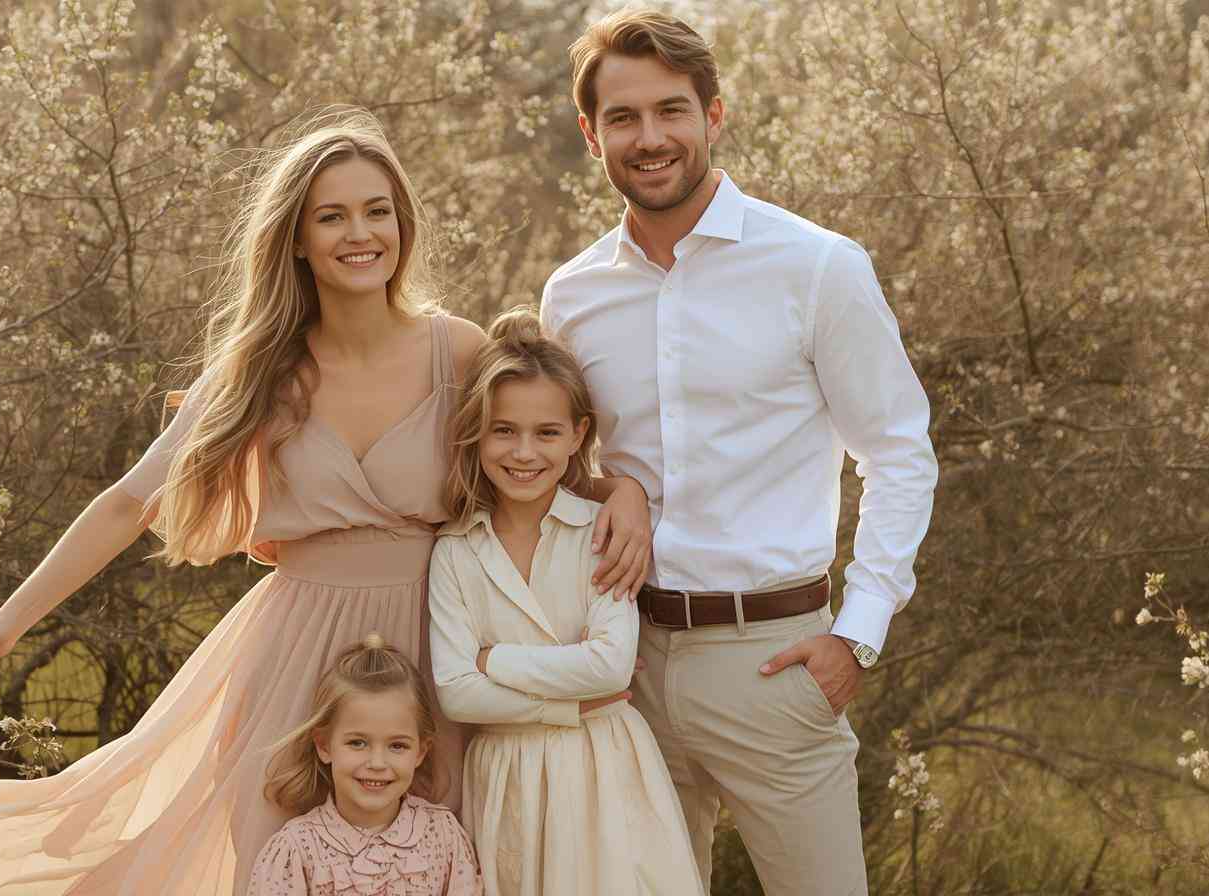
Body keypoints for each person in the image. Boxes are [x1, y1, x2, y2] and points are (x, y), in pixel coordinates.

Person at [0, 109, 651, 896]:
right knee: (273, 855)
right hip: (291, 657)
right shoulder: (260, 371)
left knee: (440, 858)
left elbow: (537, 461)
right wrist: (8, 621)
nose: (359, 233)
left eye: (377, 211)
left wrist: (627, 493)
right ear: (297, 239)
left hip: (441, 650)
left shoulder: (459, 351)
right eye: (331, 216)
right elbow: (132, 502)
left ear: (403, 225)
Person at [541, 10, 940, 896]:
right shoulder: (572, 296)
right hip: (623, 662)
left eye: (672, 112)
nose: (650, 139)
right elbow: (554, 465)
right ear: (589, 132)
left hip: (775, 665)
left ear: (713, 116)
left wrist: (857, 636)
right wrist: (621, 489)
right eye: (623, 118)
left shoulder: (817, 268)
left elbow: (900, 455)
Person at [427, 307, 705, 895]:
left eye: (546, 433)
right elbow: (455, 691)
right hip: (508, 771)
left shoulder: (600, 532)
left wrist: (493, 660)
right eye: (504, 430)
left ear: (578, 434)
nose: (524, 452)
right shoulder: (454, 549)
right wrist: (564, 703)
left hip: (605, 762)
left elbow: (609, 664)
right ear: (478, 430)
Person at [249, 634, 480, 896]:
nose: (377, 763)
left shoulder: (443, 834)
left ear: (420, 752)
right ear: (324, 745)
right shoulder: (296, 849)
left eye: (397, 746)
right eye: (358, 743)